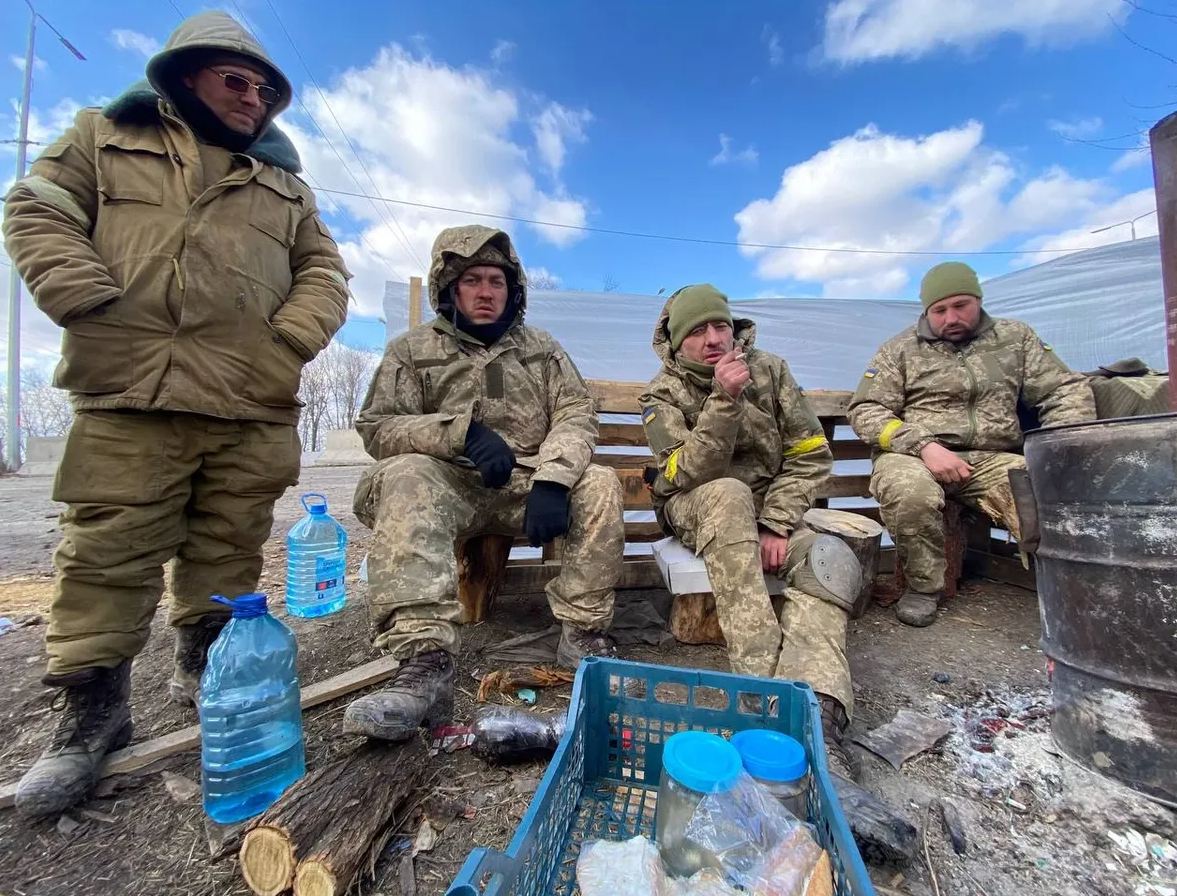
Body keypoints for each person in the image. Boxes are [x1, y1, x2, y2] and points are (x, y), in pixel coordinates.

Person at [1, 11, 350, 820]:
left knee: (229, 546)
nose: (253, 95)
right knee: (108, 550)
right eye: (236, 79)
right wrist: (86, 298)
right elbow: (36, 207)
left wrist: (286, 342)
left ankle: (205, 670)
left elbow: (326, 274)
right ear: (184, 73)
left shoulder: (283, 186)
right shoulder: (102, 135)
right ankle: (91, 715)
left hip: (247, 395)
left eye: (264, 87)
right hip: (133, 389)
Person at [341, 225, 623, 742]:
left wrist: (554, 479)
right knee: (404, 472)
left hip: (528, 487)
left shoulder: (541, 349)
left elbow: (577, 413)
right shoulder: (412, 351)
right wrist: (457, 434)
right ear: (449, 287)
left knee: (600, 481)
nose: (486, 291)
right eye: (473, 280)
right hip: (450, 486)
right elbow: (377, 428)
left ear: (512, 289)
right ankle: (425, 663)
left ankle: (583, 634)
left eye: (496, 280)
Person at [639, 284, 863, 780]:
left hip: (769, 512)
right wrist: (724, 399)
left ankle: (818, 710)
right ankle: (762, 696)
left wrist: (776, 522)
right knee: (728, 494)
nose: (714, 338)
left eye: (721, 325)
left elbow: (810, 455)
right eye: (698, 331)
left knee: (827, 558)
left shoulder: (771, 370)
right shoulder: (661, 394)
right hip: (696, 505)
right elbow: (682, 475)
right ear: (677, 343)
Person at [848, 262, 1094, 627]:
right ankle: (923, 587)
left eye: (960, 305)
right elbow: (866, 409)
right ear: (926, 311)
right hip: (913, 453)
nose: (951, 317)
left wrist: (1060, 447)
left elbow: (1063, 389)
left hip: (992, 456)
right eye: (939, 310)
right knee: (908, 493)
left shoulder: (1016, 339)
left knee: (1045, 491)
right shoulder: (900, 350)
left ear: (978, 300)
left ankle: (1071, 589)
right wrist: (923, 445)